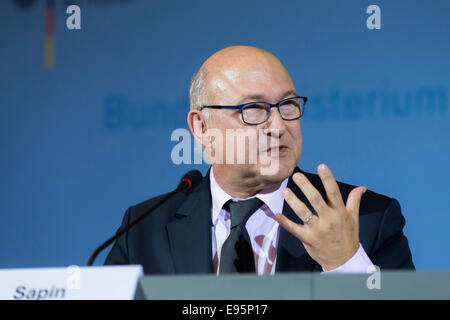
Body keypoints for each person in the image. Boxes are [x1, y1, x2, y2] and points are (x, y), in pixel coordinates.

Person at [104, 46, 414, 274]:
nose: (279, 126)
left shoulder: (366, 219)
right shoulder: (143, 230)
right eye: (253, 109)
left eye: (288, 105)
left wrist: (345, 264)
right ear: (201, 127)